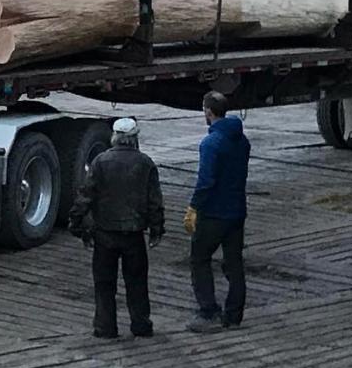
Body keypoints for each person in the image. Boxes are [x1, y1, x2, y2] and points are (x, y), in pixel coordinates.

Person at [69, 118, 165, 339]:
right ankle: (141, 325)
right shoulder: (145, 163)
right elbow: (154, 201)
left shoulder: (101, 162)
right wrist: (157, 229)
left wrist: (76, 223)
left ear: (114, 137)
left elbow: (86, 196)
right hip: (134, 234)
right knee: (137, 282)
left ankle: (105, 327)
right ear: (134, 138)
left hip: (105, 233)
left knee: (104, 283)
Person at [183, 91, 251, 332]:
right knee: (234, 263)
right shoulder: (242, 140)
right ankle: (234, 316)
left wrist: (194, 207)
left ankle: (209, 312)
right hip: (237, 212)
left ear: (208, 112)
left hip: (214, 213)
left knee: (200, 259)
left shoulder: (211, 143)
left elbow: (206, 181)